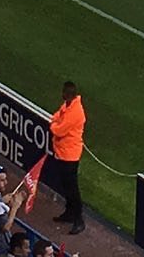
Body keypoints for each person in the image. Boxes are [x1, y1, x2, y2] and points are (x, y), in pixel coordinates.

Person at [46, 81, 85, 235]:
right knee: (66, 186)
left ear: (69, 94)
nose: (62, 95)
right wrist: (55, 121)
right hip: (63, 152)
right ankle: (69, 213)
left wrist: (53, 125)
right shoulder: (68, 105)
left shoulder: (75, 112)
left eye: (64, 93)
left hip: (70, 155)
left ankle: (79, 220)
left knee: (72, 189)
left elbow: (59, 130)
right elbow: (57, 115)